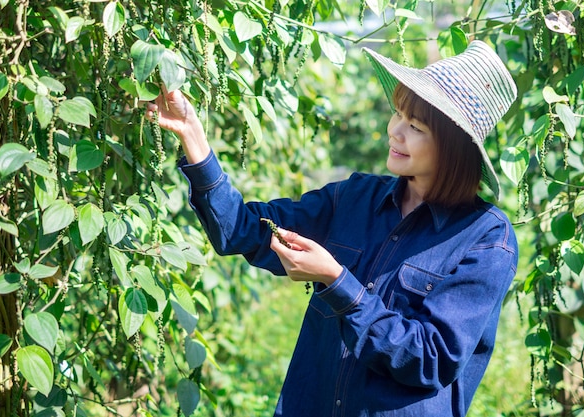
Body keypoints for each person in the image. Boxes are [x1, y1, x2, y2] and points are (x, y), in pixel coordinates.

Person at [146, 40, 519, 417]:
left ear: (454, 149)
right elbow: (243, 229)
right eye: (397, 114)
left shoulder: (485, 240)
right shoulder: (355, 199)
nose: (395, 132)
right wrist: (191, 134)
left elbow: (431, 359)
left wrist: (338, 281)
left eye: (416, 126)